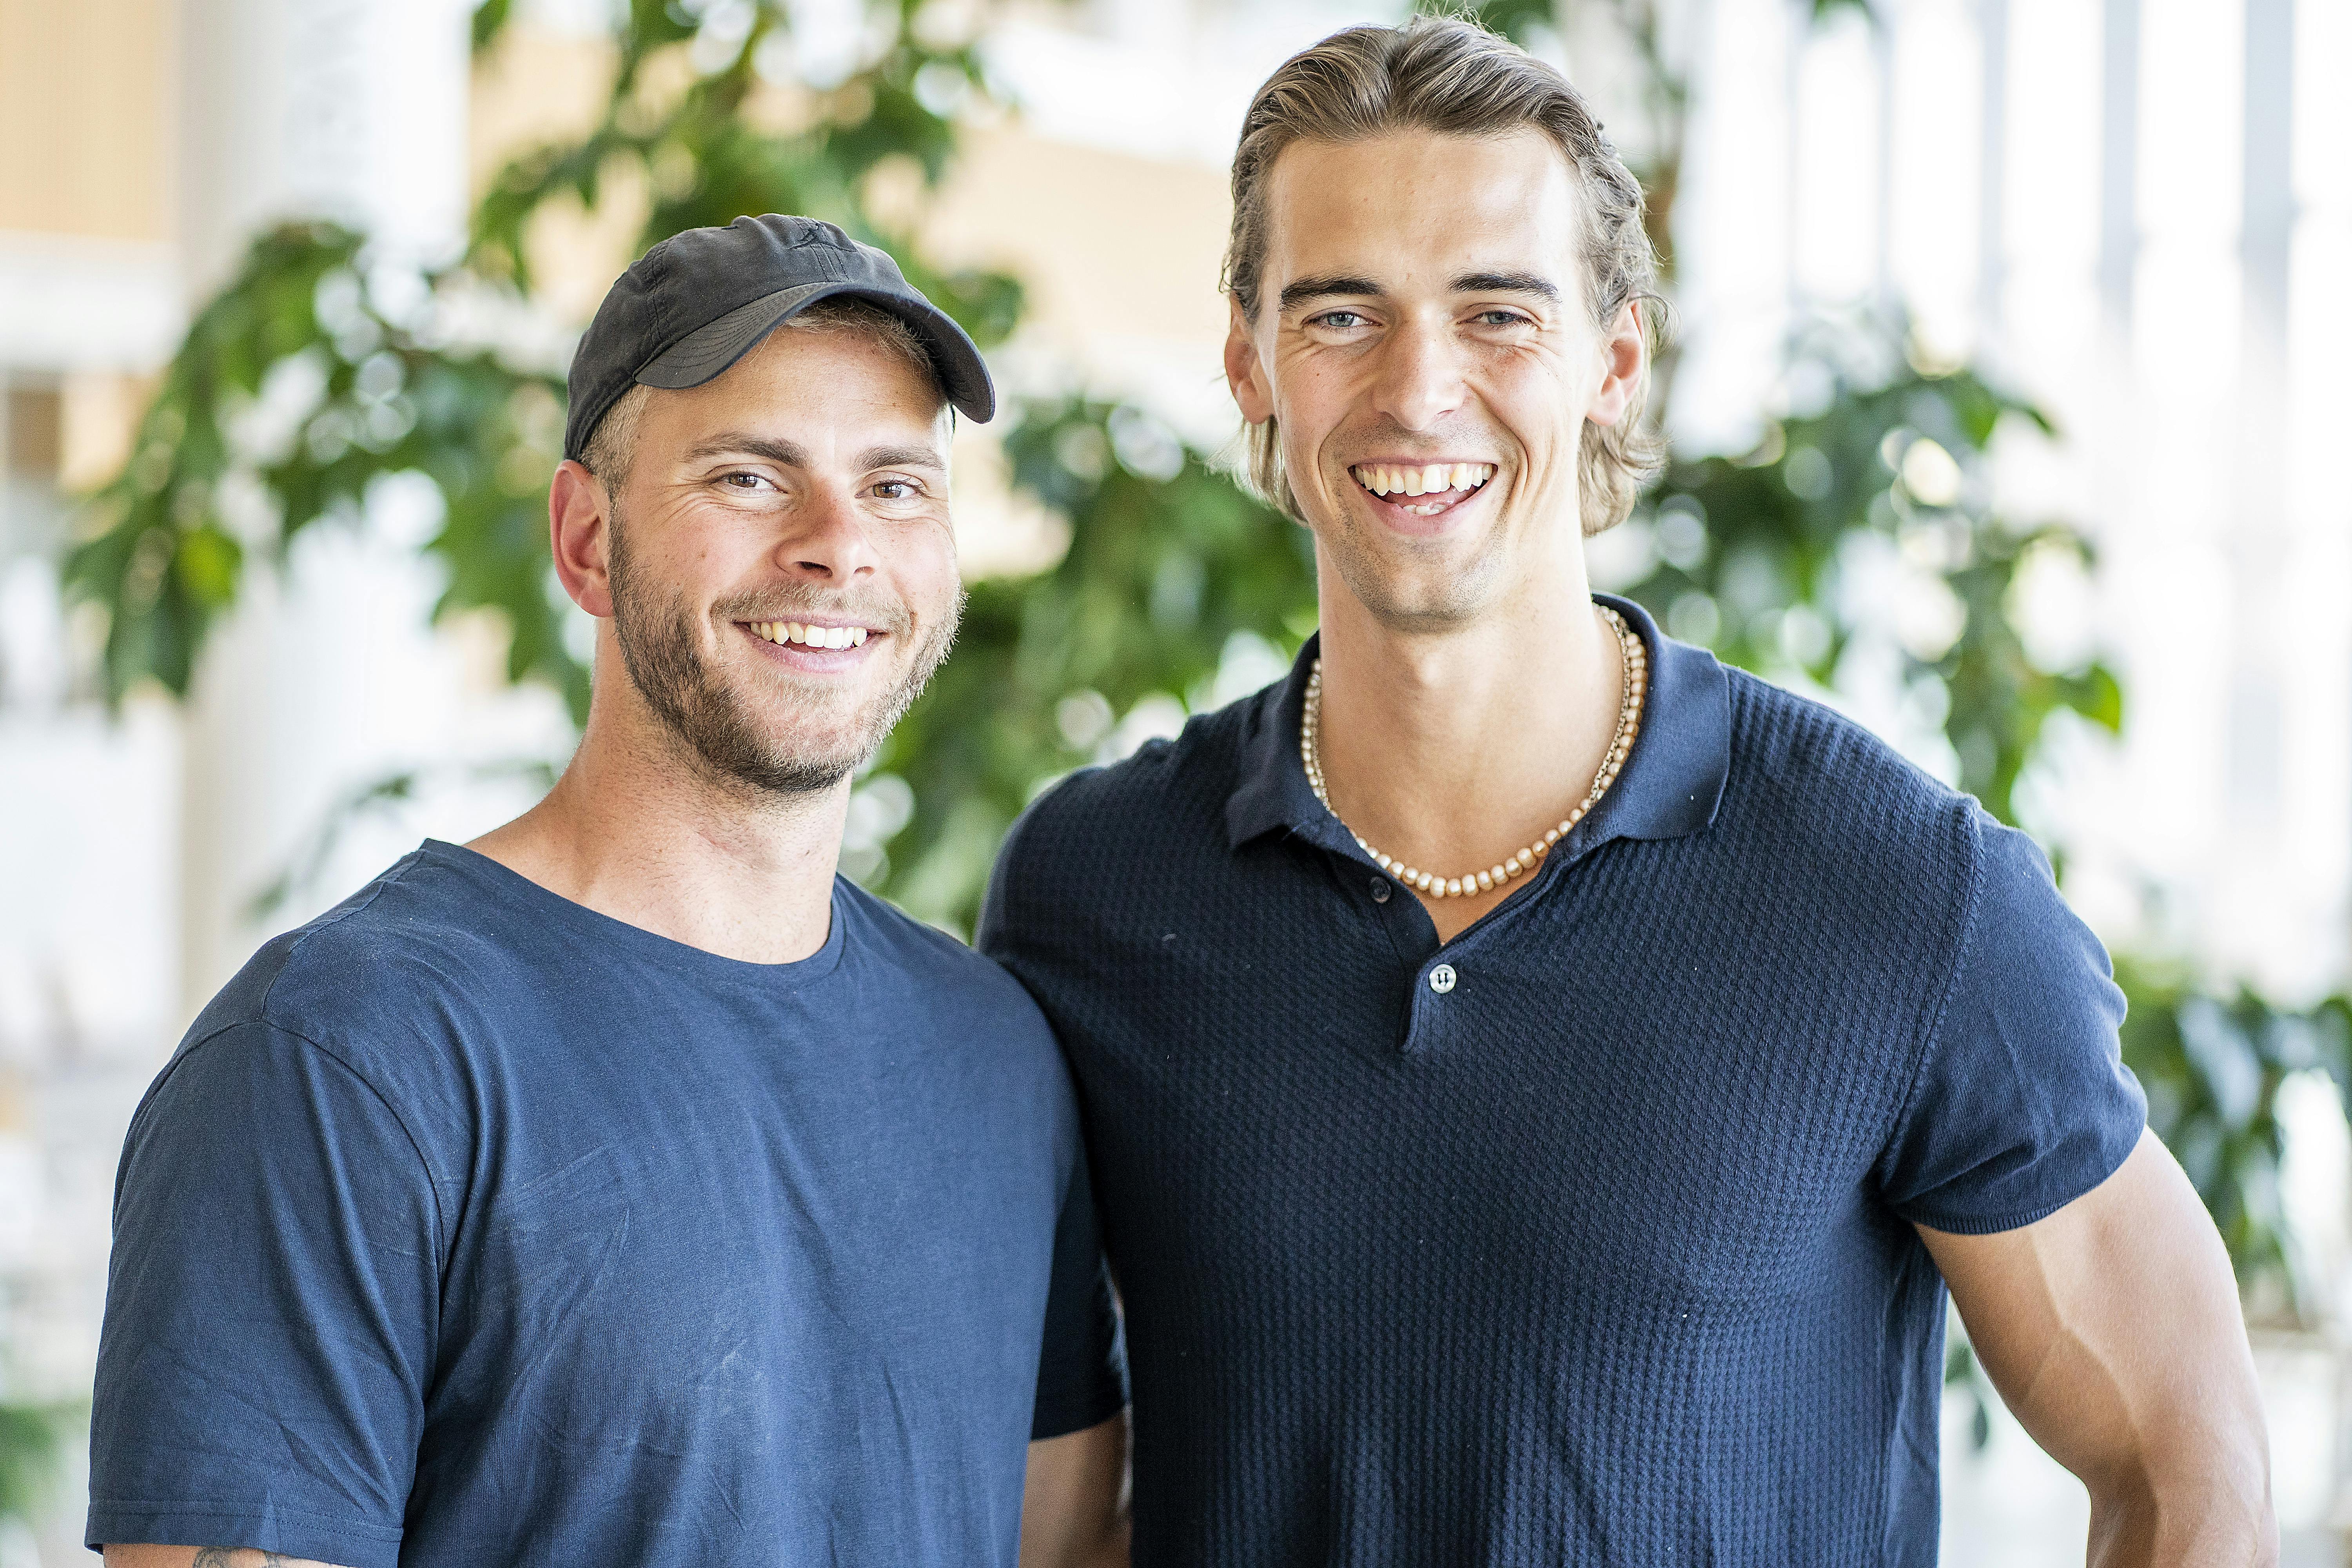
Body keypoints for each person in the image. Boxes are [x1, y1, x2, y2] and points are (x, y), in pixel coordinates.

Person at [978, 19, 2273, 1566]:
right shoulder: (1094, 888)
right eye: (1342, 314)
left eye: (1497, 312)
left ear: (1617, 353)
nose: (1419, 387)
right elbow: (1060, 1521)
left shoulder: (1899, 887)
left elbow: (2185, 1454)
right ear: (1251, 356)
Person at [89, 215, 1129, 1568]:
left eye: (896, 486)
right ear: (586, 540)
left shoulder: (994, 1054)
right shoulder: (346, 1058)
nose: (838, 545)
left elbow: (1060, 1547)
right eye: (751, 478)